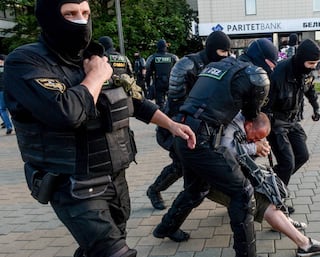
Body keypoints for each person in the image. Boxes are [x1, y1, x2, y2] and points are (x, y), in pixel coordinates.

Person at [3, 1, 195, 257]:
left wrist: (171, 124)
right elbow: (67, 113)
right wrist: (95, 75)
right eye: (70, 14)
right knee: (114, 252)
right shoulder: (26, 62)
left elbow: (130, 100)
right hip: (72, 182)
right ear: (49, 18)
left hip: (114, 175)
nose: (81, 22)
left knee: (105, 245)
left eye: (85, 13)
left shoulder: (92, 57)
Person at [153, 38, 277, 257]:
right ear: (264, 61)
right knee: (242, 192)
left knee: (197, 188)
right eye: (272, 63)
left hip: (183, 133)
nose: (273, 68)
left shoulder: (217, 65)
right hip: (202, 139)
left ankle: (166, 227)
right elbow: (251, 118)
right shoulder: (255, 76)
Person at [207, 111, 320, 257]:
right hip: (212, 179)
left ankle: (284, 223)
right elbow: (225, 150)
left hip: (222, 173)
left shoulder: (240, 118)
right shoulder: (231, 122)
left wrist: (257, 148)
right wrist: (254, 148)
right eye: (255, 137)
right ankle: (304, 244)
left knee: (268, 191)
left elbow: (239, 152)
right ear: (248, 125)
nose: (255, 140)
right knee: (261, 202)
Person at [147, 30, 232, 210]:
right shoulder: (187, 64)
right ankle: (155, 192)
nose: (225, 56)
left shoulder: (223, 66)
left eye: (227, 52)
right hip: (176, 124)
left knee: (190, 166)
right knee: (182, 164)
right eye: (222, 52)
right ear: (211, 49)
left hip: (202, 126)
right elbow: (176, 102)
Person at [262, 39, 320, 207]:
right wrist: (263, 132)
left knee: (302, 156)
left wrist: (316, 107)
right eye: (311, 63)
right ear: (301, 58)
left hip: (293, 120)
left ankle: (269, 182)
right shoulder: (279, 74)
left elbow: (310, 90)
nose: (313, 67)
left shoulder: (306, 73)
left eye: (316, 63)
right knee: (287, 163)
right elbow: (264, 105)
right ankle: (275, 204)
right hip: (276, 123)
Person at [145, 39, 179, 108]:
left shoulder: (152, 57)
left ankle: (163, 115)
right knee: (172, 102)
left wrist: (148, 85)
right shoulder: (173, 57)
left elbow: (148, 73)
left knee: (160, 104)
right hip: (171, 83)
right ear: (165, 46)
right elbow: (179, 71)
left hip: (158, 83)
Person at [0, 54, 13, 135]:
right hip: (11, 89)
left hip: (1, 90)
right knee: (12, 108)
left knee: (3, 109)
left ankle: (9, 126)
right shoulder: (10, 67)